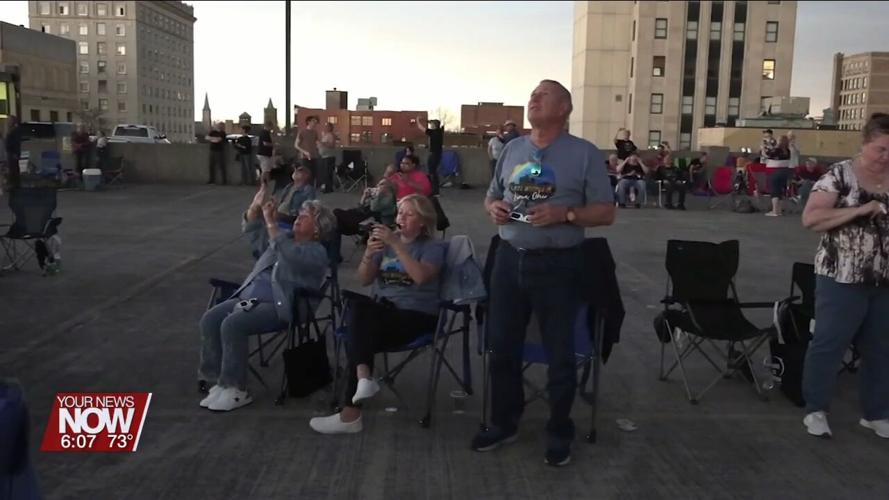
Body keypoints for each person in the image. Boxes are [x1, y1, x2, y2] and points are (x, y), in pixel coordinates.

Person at [477, 79, 615, 466]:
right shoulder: (512, 149)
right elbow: (491, 194)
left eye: (543, 94)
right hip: (508, 258)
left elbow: (606, 212)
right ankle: (504, 422)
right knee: (501, 347)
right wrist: (493, 209)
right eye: (532, 95)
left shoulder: (584, 154)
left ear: (565, 108)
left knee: (559, 352)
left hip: (558, 264)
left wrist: (566, 213)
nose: (533, 99)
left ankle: (559, 431)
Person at [309, 194, 445, 434]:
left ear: (423, 221)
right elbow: (364, 279)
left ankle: (353, 409)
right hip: (381, 314)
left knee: (358, 323)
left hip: (416, 316)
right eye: (400, 212)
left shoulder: (433, 247)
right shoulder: (386, 245)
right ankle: (362, 383)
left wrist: (397, 245)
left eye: (408, 213)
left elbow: (421, 277)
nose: (400, 217)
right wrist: (369, 254)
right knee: (357, 307)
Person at [198, 193, 335, 411]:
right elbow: (254, 232)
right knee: (210, 319)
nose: (298, 218)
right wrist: (256, 207)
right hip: (248, 298)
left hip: (281, 307)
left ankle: (236, 389)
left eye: (306, 216)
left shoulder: (316, 252)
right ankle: (219, 382)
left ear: (318, 228)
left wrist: (272, 223)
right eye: (299, 214)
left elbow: (289, 254)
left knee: (233, 324)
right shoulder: (283, 239)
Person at [800, 112, 889, 440]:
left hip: (884, 280)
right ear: (864, 144)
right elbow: (811, 219)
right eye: (880, 149)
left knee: (882, 348)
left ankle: (877, 413)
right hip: (841, 277)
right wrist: (859, 210)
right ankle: (816, 409)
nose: (886, 157)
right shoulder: (839, 176)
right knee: (829, 343)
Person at [416, 116, 444, 196]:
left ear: (434, 125)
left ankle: (434, 190)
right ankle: (433, 189)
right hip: (436, 153)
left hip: (434, 154)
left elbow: (421, 128)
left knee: (432, 172)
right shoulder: (438, 132)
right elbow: (435, 143)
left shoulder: (434, 132)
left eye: (431, 124)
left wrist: (418, 121)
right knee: (432, 172)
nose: (430, 126)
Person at [765, 134, 792, 216]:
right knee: (780, 191)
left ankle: (775, 211)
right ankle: (779, 210)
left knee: (775, 190)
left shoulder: (777, 149)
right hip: (784, 171)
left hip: (775, 172)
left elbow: (767, 154)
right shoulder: (787, 150)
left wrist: (765, 147)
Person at [295, 116, 321, 185]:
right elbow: (296, 145)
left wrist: (319, 146)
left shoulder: (315, 132)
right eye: (313, 121)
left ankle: (311, 191)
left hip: (314, 156)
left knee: (313, 175)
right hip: (305, 157)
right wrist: (304, 151)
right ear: (308, 122)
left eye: (315, 122)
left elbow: (316, 142)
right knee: (306, 175)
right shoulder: (302, 132)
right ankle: (304, 190)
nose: (315, 123)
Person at [3, 116, 22, 190]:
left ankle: (15, 184)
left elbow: (16, 142)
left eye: (9, 120)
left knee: (14, 168)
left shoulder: (16, 130)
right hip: (11, 151)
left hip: (13, 152)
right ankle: (14, 184)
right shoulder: (11, 130)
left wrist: (15, 153)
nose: (8, 122)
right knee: (12, 168)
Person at [319, 122, 337, 193]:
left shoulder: (331, 135)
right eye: (325, 126)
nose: (325, 128)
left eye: (327, 126)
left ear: (330, 128)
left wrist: (323, 143)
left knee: (328, 173)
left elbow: (331, 145)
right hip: (324, 156)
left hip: (329, 157)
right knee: (325, 173)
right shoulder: (325, 135)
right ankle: (326, 187)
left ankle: (328, 188)